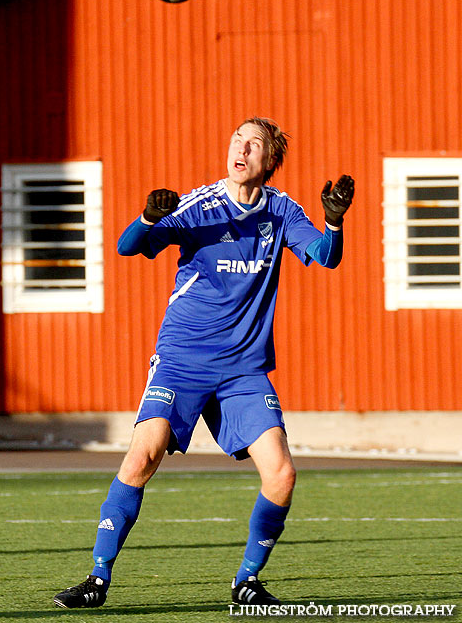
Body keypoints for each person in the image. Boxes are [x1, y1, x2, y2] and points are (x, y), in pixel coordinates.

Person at [53, 117, 354, 609]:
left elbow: (325, 256)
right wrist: (149, 217)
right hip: (183, 360)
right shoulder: (202, 205)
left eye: (253, 143)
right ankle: (97, 579)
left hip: (242, 370)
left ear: (268, 162)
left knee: (281, 473)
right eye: (237, 138)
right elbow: (128, 246)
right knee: (143, 456)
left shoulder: (281, 211)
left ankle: (247, 583)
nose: (241, 147)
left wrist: (334, 222)